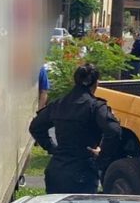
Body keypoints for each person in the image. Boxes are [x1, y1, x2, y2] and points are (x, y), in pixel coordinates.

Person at [29, 62, 122, 194]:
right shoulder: (95, 106)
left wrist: (52, 148)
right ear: (96, 83)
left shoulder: (59, 103)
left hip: (57, 170)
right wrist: (102, 155)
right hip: (83, 171)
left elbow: (36, 126)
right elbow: (114, 130)